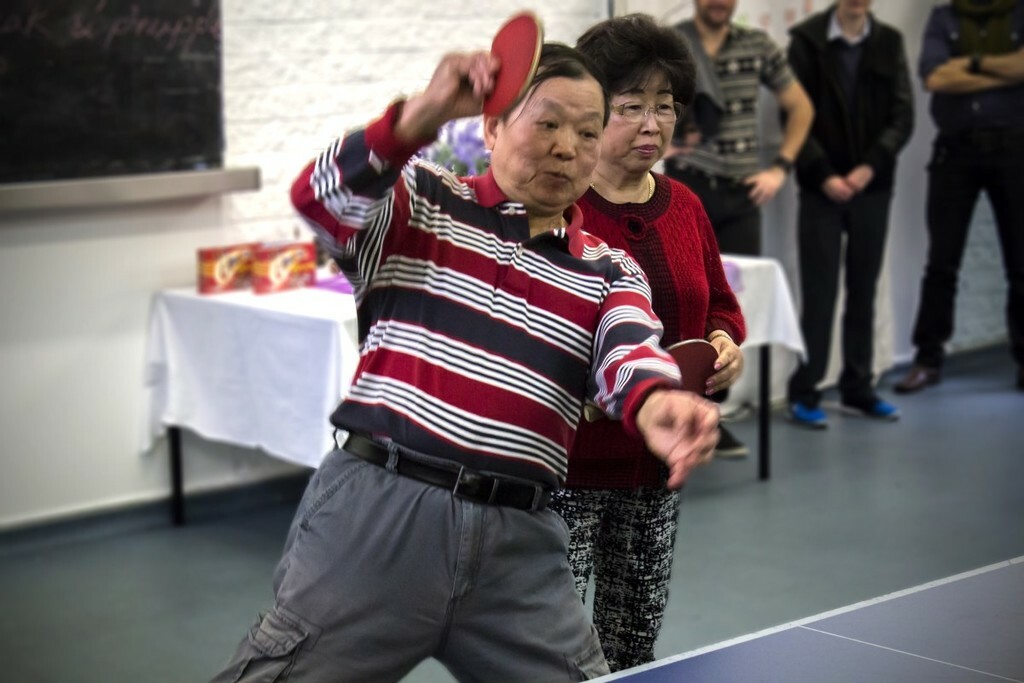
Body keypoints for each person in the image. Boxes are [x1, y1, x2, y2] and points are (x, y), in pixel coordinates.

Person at [209, 42, 722, 683]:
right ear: (493, 126)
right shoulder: (424, 204)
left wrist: (658, 401)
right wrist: (421, 114)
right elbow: (323, 197)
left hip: (521, 546)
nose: (570, 147)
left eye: (589, 132)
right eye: (550, 123)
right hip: (379, 521)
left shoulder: (608, 269)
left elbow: (628, 349)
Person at [548, 15, 747, 672]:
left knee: (633, 643)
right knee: (556, 649)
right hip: (568, 472)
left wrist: (725, 341)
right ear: (590, 114)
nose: (651, 125)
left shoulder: (685, 204)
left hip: (655, 469)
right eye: (630, 107)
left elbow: (718, 301)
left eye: (663, 108)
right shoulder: (554, 211)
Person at [665, 0, 814, 455]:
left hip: (741, 195)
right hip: (687, 187)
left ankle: (714, 413)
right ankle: (674, 411)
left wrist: (780, 168)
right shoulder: (675, 44)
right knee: (683, 303)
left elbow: (800, 108)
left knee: (732, 307)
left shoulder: (757, 44)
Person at [784, 0, 914, 428]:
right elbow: (793, 113)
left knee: (864, 288)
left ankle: (858, 388)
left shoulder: (889, 42)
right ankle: (805, 391)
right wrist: (824, 175)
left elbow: (902, 116)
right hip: (820, 189)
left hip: (871, 188)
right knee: (819, 295)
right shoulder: (806, 41)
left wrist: (867, 168)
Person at [895, 0, 1024, 394]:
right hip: (955, 151)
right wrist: (1003, 68)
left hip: (1014, 151)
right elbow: (934, 77)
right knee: (941, 263)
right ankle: (927, 359)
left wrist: (969, 63)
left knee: (1020, 264)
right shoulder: (943, 17)